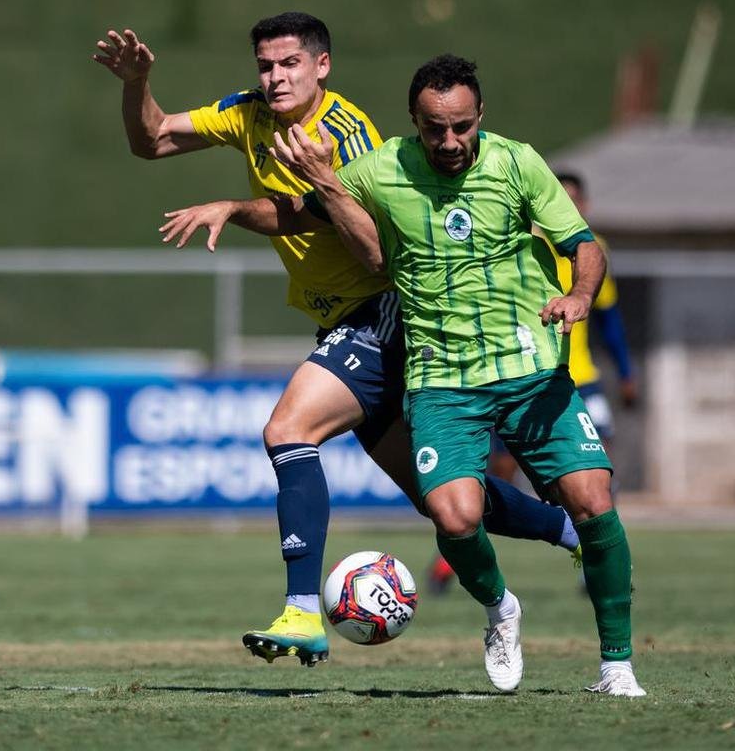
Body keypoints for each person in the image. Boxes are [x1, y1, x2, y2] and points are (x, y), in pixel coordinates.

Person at [95, 14, 582, 668]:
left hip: (382, 309)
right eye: (266, 65)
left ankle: (302, 611)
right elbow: (151, 140)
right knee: (442, 500)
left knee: (287, 430)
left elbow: (358, 242)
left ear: (321, 66)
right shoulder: (245, 114)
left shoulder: (347, 136)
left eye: (289, 64)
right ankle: (572, 529)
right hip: (344, 319)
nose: (274, 77)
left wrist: (238, 207)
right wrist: (138, 83)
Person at [265, 54, 646, 696]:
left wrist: (579, 296)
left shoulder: (516, 162)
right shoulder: (380, 170)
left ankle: (616, 666)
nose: (450, 142)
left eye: (462, 127)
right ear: (414, 122)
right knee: (455, 518)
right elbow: (302, 216)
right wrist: (277, 191)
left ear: (480, 117)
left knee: (593, 502)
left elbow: (584, 245)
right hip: (441, 378)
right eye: (435, 129)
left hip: (529, 369)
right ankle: (500, 608)